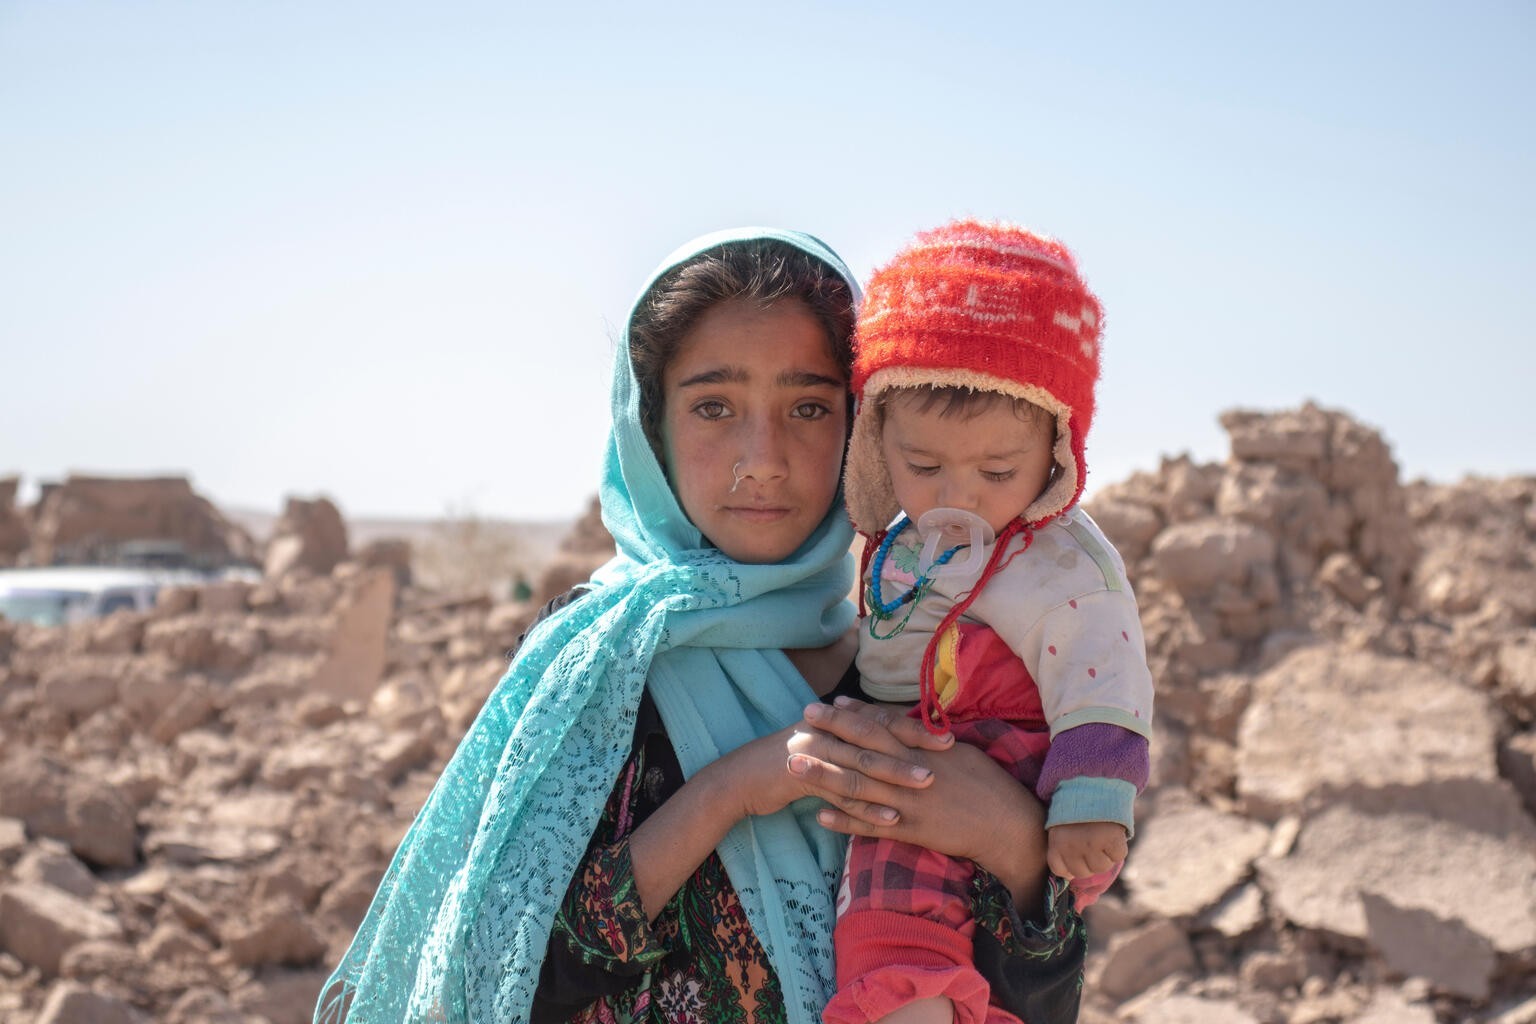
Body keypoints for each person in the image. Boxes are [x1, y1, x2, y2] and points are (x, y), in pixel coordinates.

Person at [313, 227, 1085, 1024]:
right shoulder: (591, 663)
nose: (764, 459)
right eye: (714, 407)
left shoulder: (922, 673)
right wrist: (728, 791)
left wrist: (1016, 847)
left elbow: (1035, 1003)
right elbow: (495, 980)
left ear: (866, 431)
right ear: (653, 427)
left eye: (810, 407)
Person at [826, 220, 1154, 1024]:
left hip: (1026, 779)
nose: (956, 496)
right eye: (922, 466)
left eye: (996, 470)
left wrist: (1091, 799)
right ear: (875, 444)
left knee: (901, 936)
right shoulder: (896, 550)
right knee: (896, 933)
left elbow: (1103, 673)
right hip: (920, 772)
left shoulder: (1061, 561)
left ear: (1056, 453)